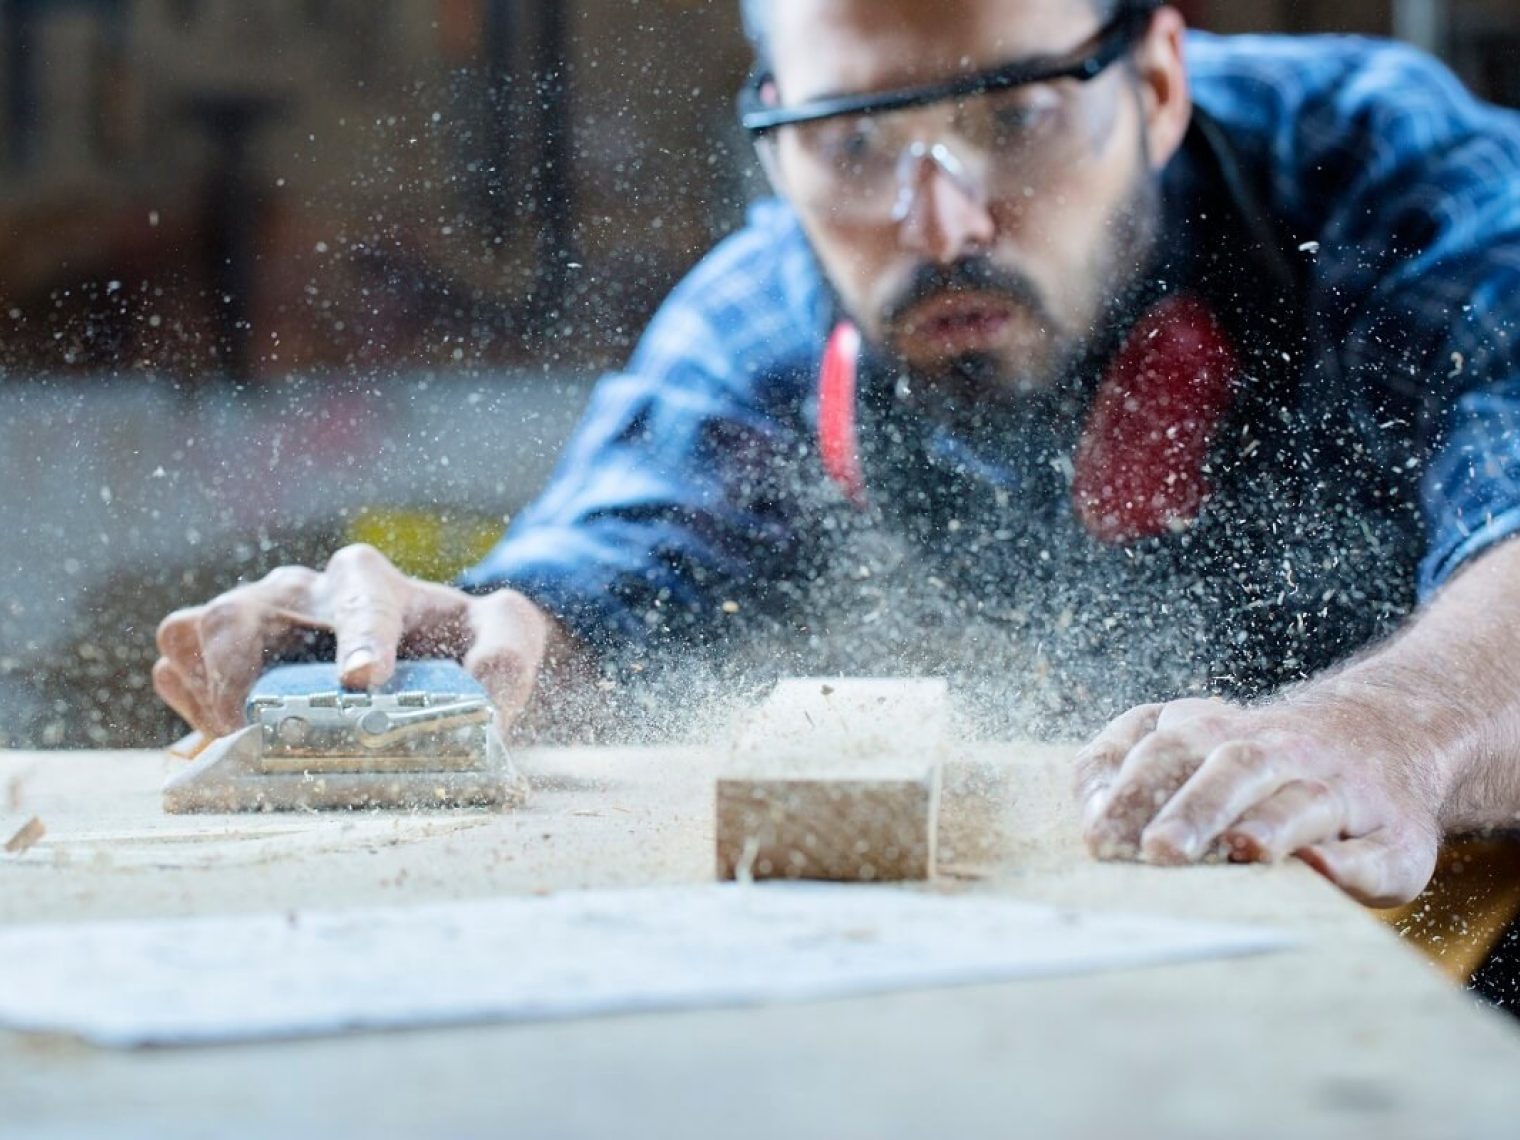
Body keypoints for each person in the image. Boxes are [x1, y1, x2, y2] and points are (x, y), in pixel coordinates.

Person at [154, 0, 1520, 909]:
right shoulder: (777, 304)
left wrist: (1390, 733)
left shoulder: (1383, 169)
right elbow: (591, 589)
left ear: (1157, 84)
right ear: (776, 125)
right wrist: (454, 651)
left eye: (1014, 116)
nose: (939, 224)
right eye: (856, 138)